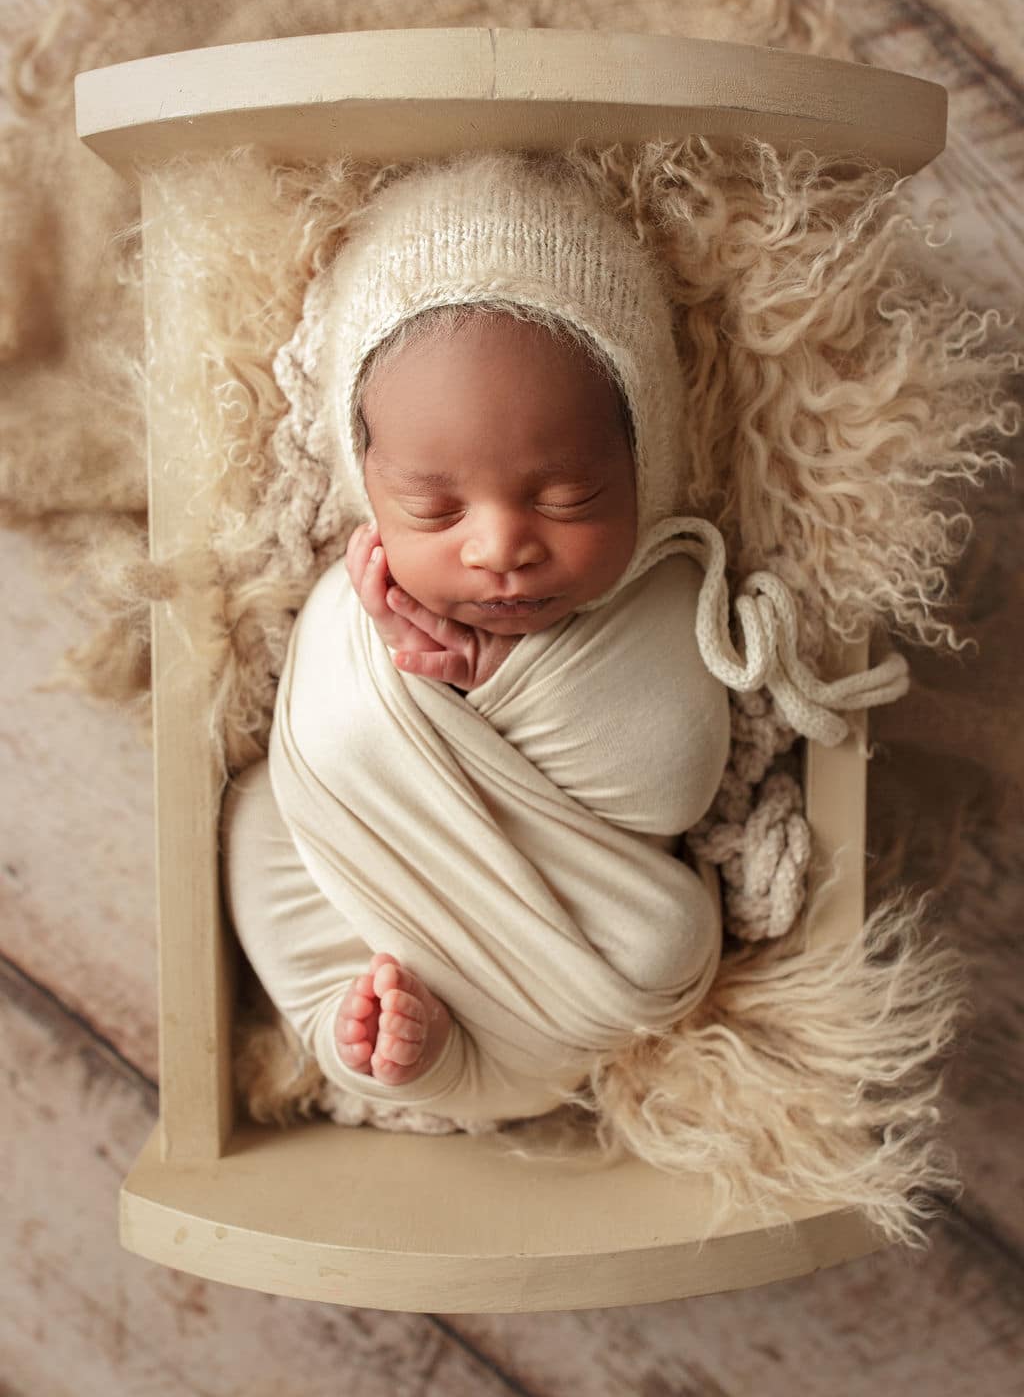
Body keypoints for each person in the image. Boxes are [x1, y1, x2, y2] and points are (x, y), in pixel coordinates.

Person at [222, 148, 903, 1130]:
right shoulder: (354, 604)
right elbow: (327, 754)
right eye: (433, 506)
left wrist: (486, 675)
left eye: (566, 497)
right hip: (372, 890)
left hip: (589, 937)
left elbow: (664, 782)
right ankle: (359, 1030)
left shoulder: (662, 596)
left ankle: (428, 1049)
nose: (499, 547)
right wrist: (401, 675)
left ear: (646, 461)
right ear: (366, 488)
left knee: (662, 940)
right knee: (262, 821)